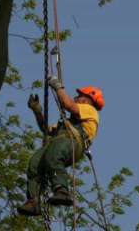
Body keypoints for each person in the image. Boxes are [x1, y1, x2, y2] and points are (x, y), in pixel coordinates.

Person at [17, 76, 105, 216]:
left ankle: (62, 191)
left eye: (79, 96)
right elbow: (46, 130)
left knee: (53, 156)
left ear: (87, 99)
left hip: (74, 142)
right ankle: (33, 201)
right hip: (61, 142)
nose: (76, 97)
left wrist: (58, 86)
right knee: (35, 163)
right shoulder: (67, 122)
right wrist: (37, 110)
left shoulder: (90, 110)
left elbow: (67, 104)